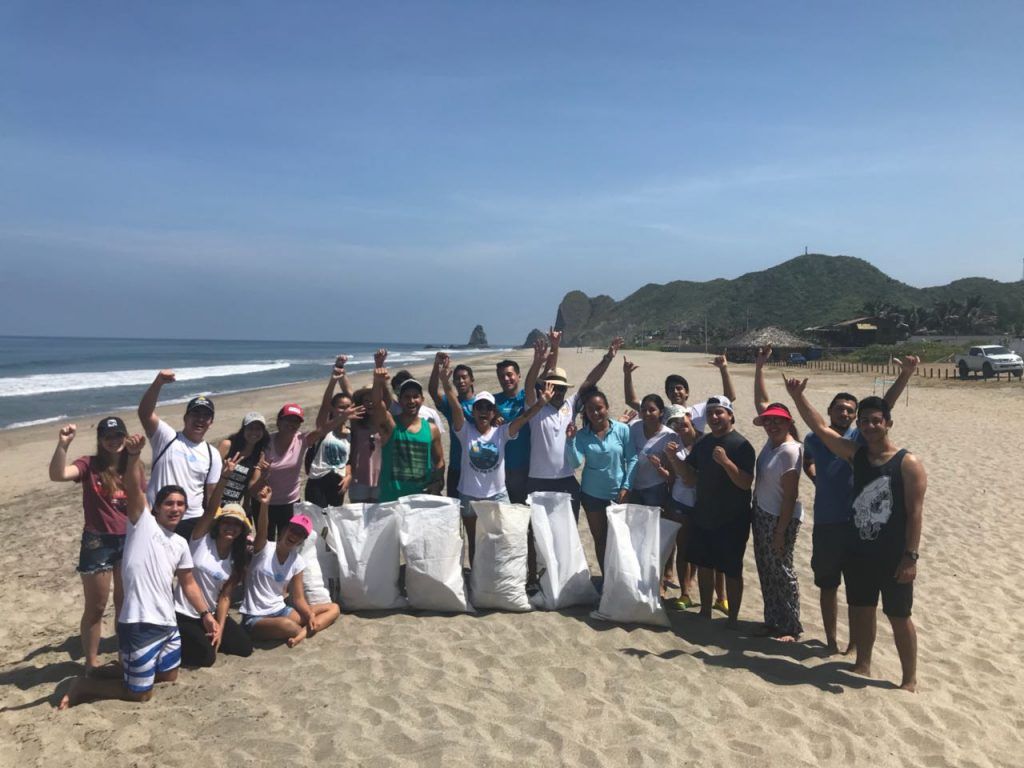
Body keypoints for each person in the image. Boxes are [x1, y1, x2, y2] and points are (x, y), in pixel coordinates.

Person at [756, 347, 919, 652]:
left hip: (856, 526)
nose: (844, 414)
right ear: (830, 411)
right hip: (826, 523)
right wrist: (814, 474)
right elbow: (811, 444)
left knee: (858, 593)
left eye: (850, 411)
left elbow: (885, 406)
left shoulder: (859, 439)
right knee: (827, 585)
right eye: (839, 409)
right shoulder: (816, 440)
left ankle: (855, 646)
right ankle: (831, 641)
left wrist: (904, 376)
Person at [785, 377, 925, 692]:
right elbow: (821, 428)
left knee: (899, 615)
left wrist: (910, 557)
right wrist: (798, 397)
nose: (871, 426)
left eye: (877, 421)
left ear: (888, 423)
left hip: (893, 553)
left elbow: (915, 514)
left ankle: (909, 679)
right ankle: (863, 662)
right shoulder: (856, 455)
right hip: (859, 550)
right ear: (859, 426)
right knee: (862, 609)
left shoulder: (908, 463)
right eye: (865, 422)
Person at [59, 434, 219, 708]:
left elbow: (189, 583)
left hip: (168, 623)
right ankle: (83, 685)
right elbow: (134, 489)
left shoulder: (180, 543)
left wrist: (206, 614)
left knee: (168, 677)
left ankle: (116, 672)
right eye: (169, 503)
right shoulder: (142, 525)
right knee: (140, 695)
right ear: (155, 508)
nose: (175, 509)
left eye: (180, 504)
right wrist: (133, 457)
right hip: (140, 623)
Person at [438, 355, 554, 563]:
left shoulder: (502, 432)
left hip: (498, 495)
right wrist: (446, 383)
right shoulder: (464, 431)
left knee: (503, 538)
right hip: (469, 495)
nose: (483, 411)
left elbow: (524, 418)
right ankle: (477, 577)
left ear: (494, 412)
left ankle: (501, 575)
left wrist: (541, 403)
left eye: (488, 408)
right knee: (474, 539)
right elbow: (455, 406)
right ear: (472, 411)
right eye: (479, 407)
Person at [48, 417, 142, 672]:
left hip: (129, 539)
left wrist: (134, 457)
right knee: (97, 607)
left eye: (118, 435)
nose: (114, 441)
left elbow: (140, 499)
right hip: (98, 542)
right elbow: (58, 474)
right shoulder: (89, 465)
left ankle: (124, 657)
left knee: (125, 603)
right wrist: (63, 444)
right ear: (100, 440)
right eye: (108, 436)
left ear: (125, 436)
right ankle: (91, 663)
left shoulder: (133, 463)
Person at [524, 335, 624, 519]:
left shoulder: (570, 406)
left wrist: (608, 357)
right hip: (538, 479)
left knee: (568, 529)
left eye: (562, 388)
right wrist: (537, 362)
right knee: (538, 531)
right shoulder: (536, 408)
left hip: (566, 479)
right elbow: (529, 385)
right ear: (546, 387)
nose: (558, 392)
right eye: (554, 387)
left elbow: (590, 381)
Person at [676, 396, 755, 628]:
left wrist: (726, 462)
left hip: (733, 519)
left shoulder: (742, 445)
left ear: (730, 415)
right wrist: (673, 459)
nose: (714, 417)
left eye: (719, 412)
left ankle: (733, 618)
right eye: (710, 413)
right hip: (704, 514)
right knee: (704, 564)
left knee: (732, 569)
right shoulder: (703, 443)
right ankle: (705, 610)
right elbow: (690, 478)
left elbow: (745, 483)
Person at [174, 454, 255, 667]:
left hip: (209, 613)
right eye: (226, 522)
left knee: (244, 647)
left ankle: (202, 638)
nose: (230, 527)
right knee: (206, 658)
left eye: (236, 525)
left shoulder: (237, 558)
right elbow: (211, 509)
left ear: (242, 530)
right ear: (219, 524)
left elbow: (226, 597)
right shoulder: (200, 539)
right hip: (185, 611)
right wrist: (224, 478)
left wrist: (219, 627)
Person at [241, 489, 340, 647]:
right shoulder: (264, 548)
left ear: (301, 541)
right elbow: (263, 528)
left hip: (280, 610)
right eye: (293, 529)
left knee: (334, 608)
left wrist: (309, 615)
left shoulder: (297, 561)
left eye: (300, 534)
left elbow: (298, 599)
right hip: (256, 616)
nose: (295, 534)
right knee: (287, 625)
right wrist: (265, 505)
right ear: (284, 530)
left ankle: (302, 632)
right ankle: (302, 632)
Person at [137, 370, 223, 540]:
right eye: (195, 414)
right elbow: (145, 413)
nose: (200, 419)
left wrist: (213, 524)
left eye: (206, 416)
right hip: (158, 516)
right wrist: (158, 383)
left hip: (193, 520)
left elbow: (212, 495)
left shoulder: (212, 454)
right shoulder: (166, 438)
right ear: (185, 417)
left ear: (211, 422)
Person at [749, 393, 804, 641]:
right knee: (766, 569)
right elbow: (761, 400)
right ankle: (773, 621)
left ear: (789, 423)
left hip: (780, 518)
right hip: (762, 512)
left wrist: (780, 532)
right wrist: (759, 372)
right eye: (768, 421)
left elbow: (790, 496)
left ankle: (791, 626)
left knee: (782, 571)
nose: (772, 425)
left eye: (778, 421)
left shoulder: (790, 451)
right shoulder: (772, 443)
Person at [566, 389, 637, 575]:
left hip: (618, 494)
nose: (595, 413)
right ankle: (607, 579)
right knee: (600, 540)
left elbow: (632, 459)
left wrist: (627, 487)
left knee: (621, 540)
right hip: (592, 495)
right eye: (590, 410)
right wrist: (570, 442)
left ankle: (622, 578)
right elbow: (575, 463)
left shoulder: (622, 429)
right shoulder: (582, 435)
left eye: (599, 408)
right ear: (585, 413)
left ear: (607, 408)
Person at [372, 365, 446, 502]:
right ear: (399, 400)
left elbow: (439, 460)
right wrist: (377, 381)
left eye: (415, 396)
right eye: (406, 397)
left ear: (422, 399)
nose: (411, 401)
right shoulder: (391, 426)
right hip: (392, 500)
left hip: (421, 499)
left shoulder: (432, 429)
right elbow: (377, 405)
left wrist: (438, 482)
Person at [305, 355, 364, 507]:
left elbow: (350, 461)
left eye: (348, 407)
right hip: (317, 482)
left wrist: (349, 476)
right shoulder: (325, 429)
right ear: (333, 409)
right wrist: (333, 380)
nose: (346, 410)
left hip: (338, 483)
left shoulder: (351, 434)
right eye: (341, 407)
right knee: (317, 519)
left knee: (333, 519)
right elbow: (325, 404)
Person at [623, 353, 737, 432]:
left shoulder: (698, 411)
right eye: (671, 389)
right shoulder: (662, 412)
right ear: (667, 394)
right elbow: (631, 401)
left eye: (679, 388)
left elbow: (729, 398)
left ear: (687, 393)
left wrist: (723, 369)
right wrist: (627, 375)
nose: (675, 391)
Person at [661, 405, 699, 609]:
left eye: (681, 419)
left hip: (703, 503)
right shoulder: (673, 444)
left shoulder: (704, 441)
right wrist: (663, 466)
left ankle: (715, 596)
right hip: (680, 502)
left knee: (699, 549)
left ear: (689, 416)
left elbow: (691, 479)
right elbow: (675, 477)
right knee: (683, 548)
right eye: (673, 423)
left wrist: (673, 458)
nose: (678, 425)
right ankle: (685, 593)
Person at [429, 353, 476, 498]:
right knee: (456, 507)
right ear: (453, 382)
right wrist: (436, 365)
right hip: (456, 466)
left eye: (464, 377)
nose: (461, 381)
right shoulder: (450, 403)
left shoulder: (482, 405)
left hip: (476, 466)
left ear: (472, 380)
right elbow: (432, 392)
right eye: (457, 378)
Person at [493, 354, 535, 504]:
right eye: (501, 376)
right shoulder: (493, 401)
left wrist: (549, 353)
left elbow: (540, 377)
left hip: (525, 466)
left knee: (524, 510)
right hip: (500, 468)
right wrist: (492, 420)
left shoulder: (526, 397)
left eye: (509, 375)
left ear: (518, 375)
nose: (506, 379)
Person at [216, 411, 269, 520]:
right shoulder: (227, 446)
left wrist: (264, 474)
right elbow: (210, 475)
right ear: (243, 429)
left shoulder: (259, 455)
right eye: (250, 428)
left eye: (258, 429)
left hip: (233, 508)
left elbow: (251, 488)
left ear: (263, 432)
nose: (254, 432)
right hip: (214, 502)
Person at [348, 386, 382, 503]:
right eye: (366, 401)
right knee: (358, 511)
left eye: (373, 400)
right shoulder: (356, 422)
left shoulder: (385, 422)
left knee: (378, 512)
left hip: (380, 476)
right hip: (359, 476)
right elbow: (350, 396)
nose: (370, 403)